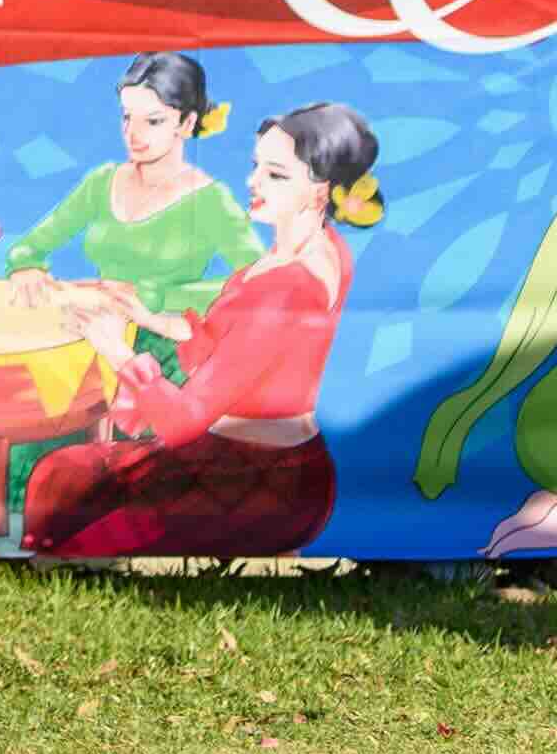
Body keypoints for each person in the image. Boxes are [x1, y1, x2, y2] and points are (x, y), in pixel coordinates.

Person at [23, 101, 378, 562]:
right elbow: (234, 346)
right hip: (257, 465)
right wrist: (148, 318)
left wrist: (115, 350)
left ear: (320, 190)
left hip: (256, 486)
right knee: (63, 472)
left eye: (275, 174)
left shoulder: (287, 286)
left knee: (72, 528)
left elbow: (183, 421)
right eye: (256, 166)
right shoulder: (319, 250)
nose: (253, 182)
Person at [3, 54, 258, 362]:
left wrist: (156, 296)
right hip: (95, 335)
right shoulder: (102, 182)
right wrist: (25, 266)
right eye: (127, 117)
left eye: (153, 121)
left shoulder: (211, 200)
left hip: (169, 350)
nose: (133, 134)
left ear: (187, 123)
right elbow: (30, 246)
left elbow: (261, 285)